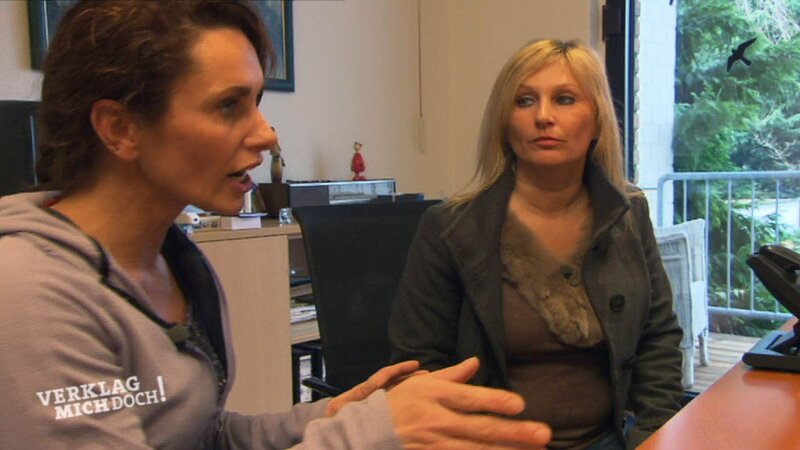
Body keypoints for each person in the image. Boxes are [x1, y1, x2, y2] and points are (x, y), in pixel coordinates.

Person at [0, 2, 553, 449]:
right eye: (228, 106)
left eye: (258, 102)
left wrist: (336, 414)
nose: (267, 134)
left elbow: (203, 437)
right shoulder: (30, 296)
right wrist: (372, 434)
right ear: (120, 128)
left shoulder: (173, 264)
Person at [388, 39, 684, 450]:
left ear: (597, 122)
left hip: (611, 439)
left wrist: (651, 436)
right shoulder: (451, 228)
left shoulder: (628, 214)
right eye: (525, 101)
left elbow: (658, 338)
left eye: (564, 99)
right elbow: (419, 363)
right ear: (504, 124)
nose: (543, 116)